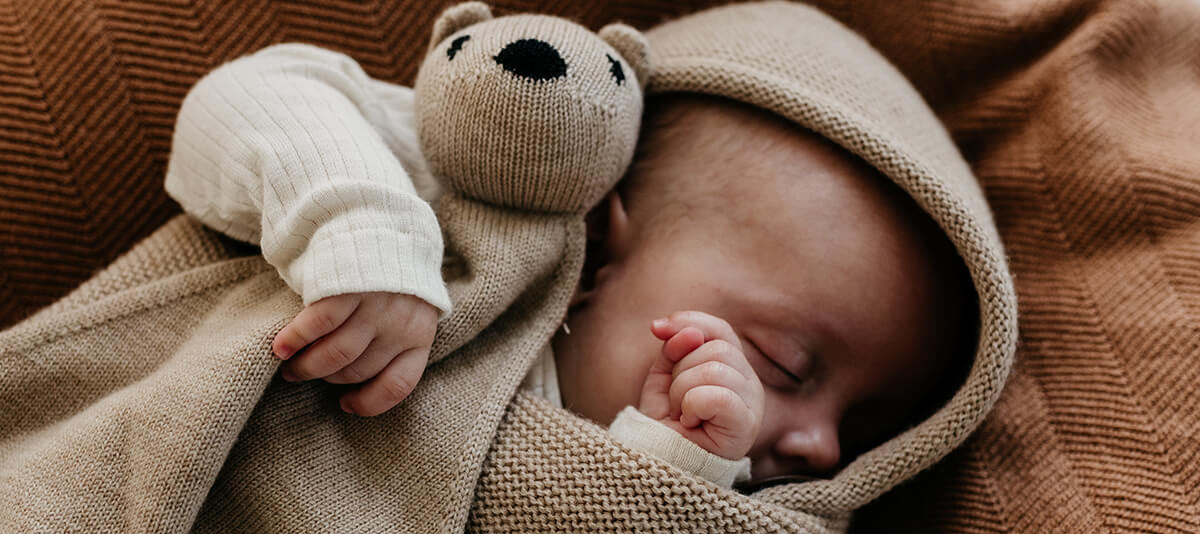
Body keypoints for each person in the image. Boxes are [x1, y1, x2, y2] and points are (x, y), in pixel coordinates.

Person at [165, 21, 974, 491]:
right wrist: (365, 235)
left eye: (868, 427)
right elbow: (246, 99)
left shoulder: (716, 498)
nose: (823, 451)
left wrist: (669, 470)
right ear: (596, 251)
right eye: (785, 364)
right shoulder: (454, 216)